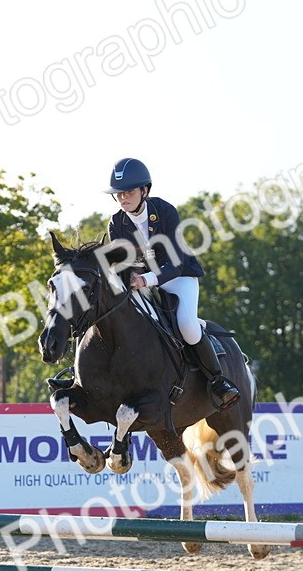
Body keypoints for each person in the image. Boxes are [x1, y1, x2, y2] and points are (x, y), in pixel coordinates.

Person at [103, 157, 240, 410]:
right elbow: (122, 263)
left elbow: (175, 263)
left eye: (130, 192)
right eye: (119, 194)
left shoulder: (164, 212)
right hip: (142, 283)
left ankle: (218, 381)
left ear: (145, 190)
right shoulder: (116, 223)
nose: (123, 198)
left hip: (178, 278)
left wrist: (145, 279)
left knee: (187, 325)